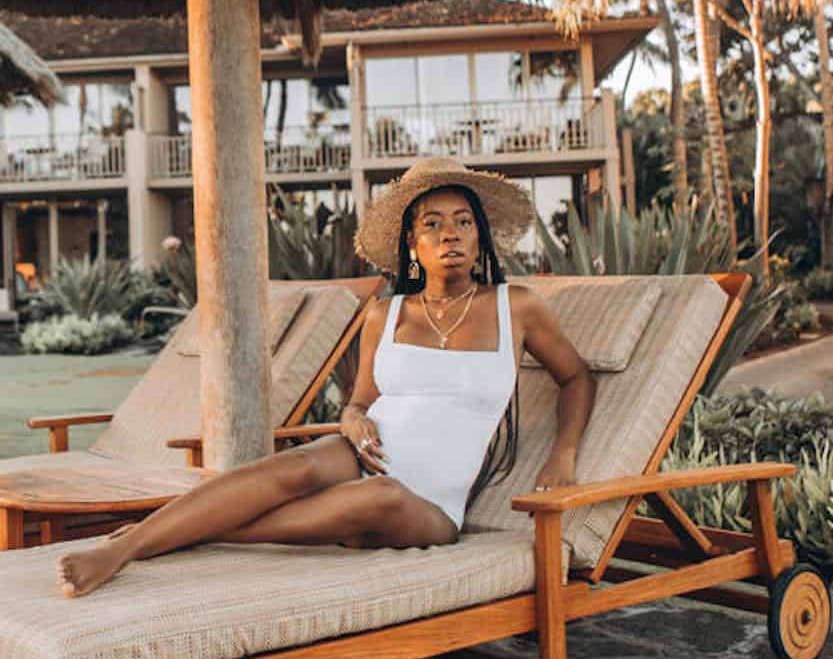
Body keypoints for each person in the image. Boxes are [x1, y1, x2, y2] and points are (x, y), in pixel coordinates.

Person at [55, 157, 595, 598]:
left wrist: (563, 454)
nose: (449, 233)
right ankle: (121, 550)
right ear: (411, 244)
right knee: (291, 465)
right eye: (432, 224)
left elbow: (575, 378)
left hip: (426, 506)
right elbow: (359, 401)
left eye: (463, 222)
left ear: (480, 240)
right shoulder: (386, 314)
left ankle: (165, 537)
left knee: (378, 496)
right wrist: (354, 420)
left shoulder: (517, 307)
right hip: (360, 454)